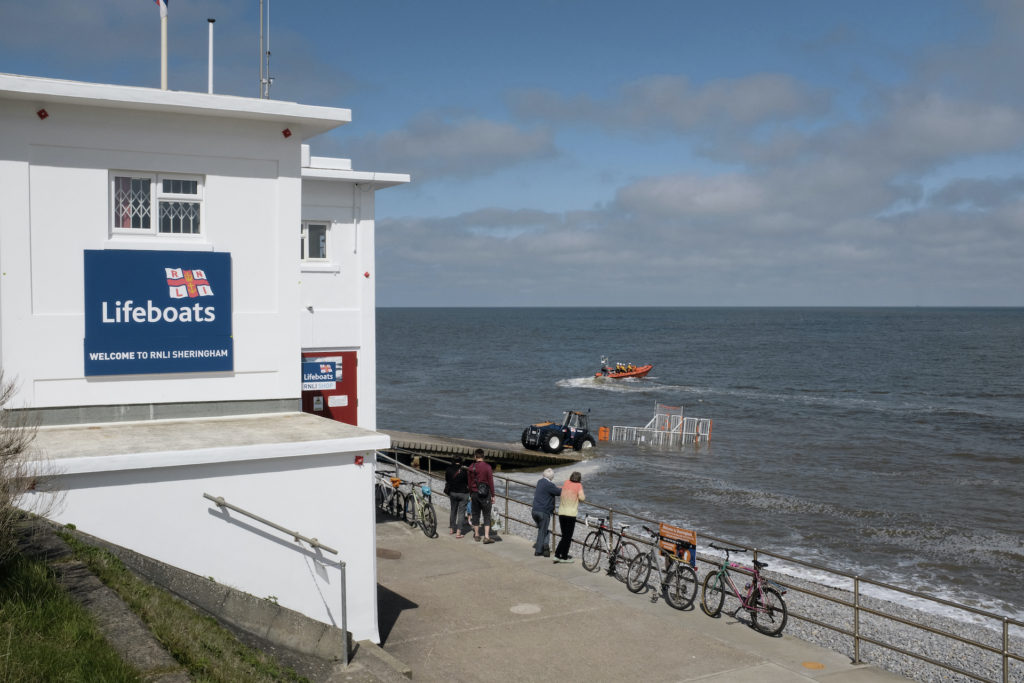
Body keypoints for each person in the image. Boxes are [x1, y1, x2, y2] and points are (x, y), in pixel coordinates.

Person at [554, 471, 585, 562]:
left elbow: (562, 490)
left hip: (562, 512)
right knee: (567, 536)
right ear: (579, 479)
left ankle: (564, 556)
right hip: (571, 514)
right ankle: (557, 554)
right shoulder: (579, 485)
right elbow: (582, 498)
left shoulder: (566, 482)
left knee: (565, 535)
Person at [466, 448, 495, 544]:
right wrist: (493, 495)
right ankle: (486, 537)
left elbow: (469, 483)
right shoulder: (488, 467)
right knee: (486, 515)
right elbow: (491, 482)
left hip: (474, 493)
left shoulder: (471, 467)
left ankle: (477, 535)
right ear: (483, 456)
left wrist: (470, 494)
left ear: (475, 457)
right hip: (485, 494)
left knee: (475, 514)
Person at [531, 468, 561, 557]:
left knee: (543, 529)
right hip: (543, 512)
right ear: (552, 477)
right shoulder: (550, 485)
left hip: (535, 510)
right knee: (542, 531)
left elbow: (552, 489)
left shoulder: (539, 482)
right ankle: (539, 550)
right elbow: (559, 492)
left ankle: (546, 547)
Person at [444, 456, 469, 538]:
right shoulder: (464, 471)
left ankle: (451, 529)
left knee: (453, 510)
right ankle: (458, 532)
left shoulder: (448, 469)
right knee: (461, 513)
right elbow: (467, 481)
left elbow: (447, 480)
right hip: (463, 493)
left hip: (453, 492)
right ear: (461, 462)